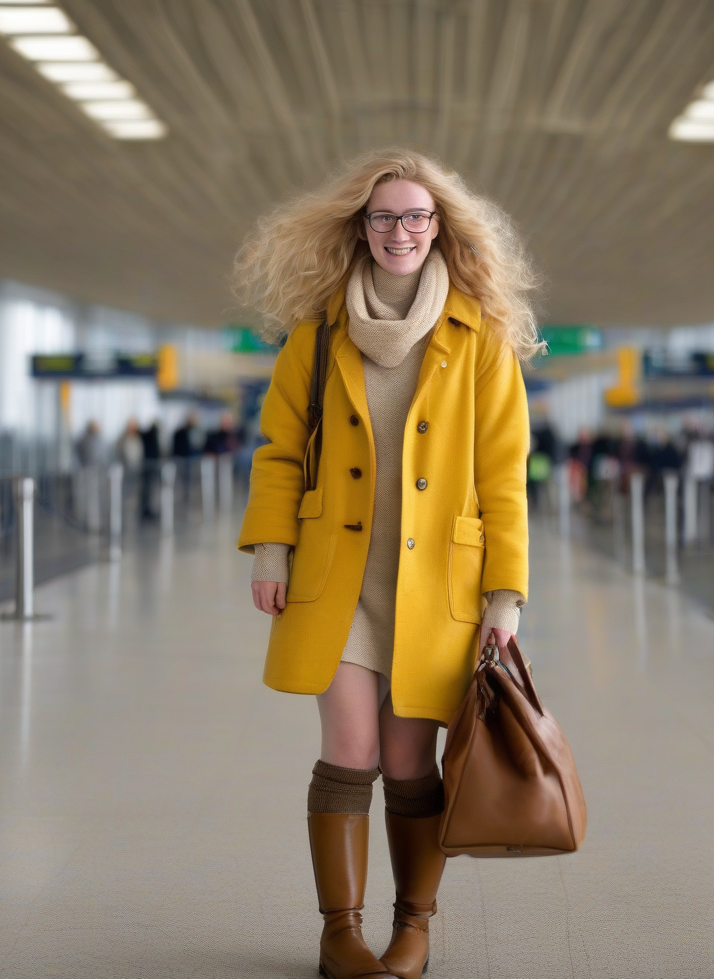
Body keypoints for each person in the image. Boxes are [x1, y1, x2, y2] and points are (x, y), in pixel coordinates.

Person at [236, 149, 537, 979]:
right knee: (350, 748)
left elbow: (503, 474)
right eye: (382, 216)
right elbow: (279, 449)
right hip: (339, 579)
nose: (399, 231)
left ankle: (414, 926)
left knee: (409, 760)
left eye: (415, 217)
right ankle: (341, 933)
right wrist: (271, 548)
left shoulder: (480, 335)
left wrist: (505, 597)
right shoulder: (319, 330)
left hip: (435, 584)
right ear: (359, 228)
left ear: (440, 227)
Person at [138, 419, 161, 520]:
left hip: (152, 467)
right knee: (146, 491)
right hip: (147, 467)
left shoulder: (151, 437)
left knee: (151, 491)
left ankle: (149, 510)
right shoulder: (148, 437)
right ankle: (145, 511)